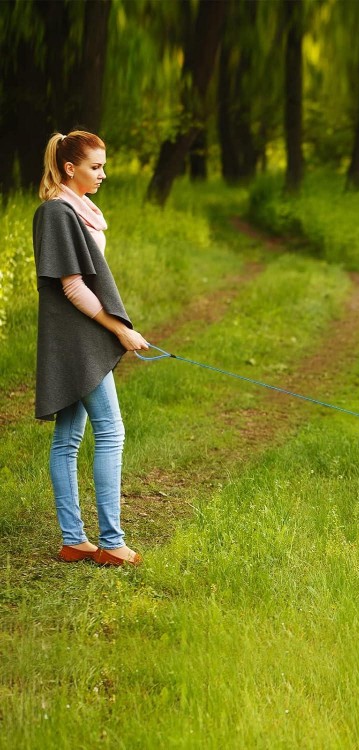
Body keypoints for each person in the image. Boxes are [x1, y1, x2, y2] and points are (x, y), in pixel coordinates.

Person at [33, 130, 149, 566]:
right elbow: (72, 287)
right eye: (94, 167)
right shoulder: (57, 213)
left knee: (68, 437)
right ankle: (112, 543)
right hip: (77, 338)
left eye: (103, 165)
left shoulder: (79, 211)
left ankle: (73, 540)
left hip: (78, 337)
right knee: (111, 432)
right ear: (69, 168)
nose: (102, 174)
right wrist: (119, 329)